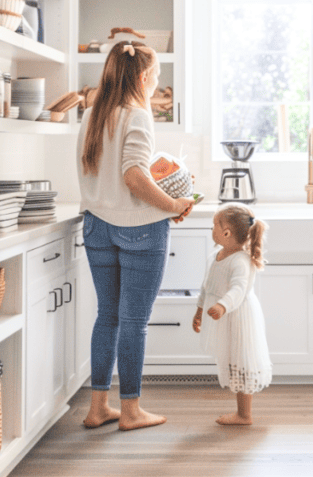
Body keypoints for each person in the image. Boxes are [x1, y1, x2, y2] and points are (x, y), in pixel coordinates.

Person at [77, 40, 194, 431]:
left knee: (106, 317)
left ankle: (97, 409)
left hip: (96, 226)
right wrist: (173, 205)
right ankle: (130, 411)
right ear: (143, 77)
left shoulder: (92, 113)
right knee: (133, 323)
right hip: (139, 230)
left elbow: (108, 173)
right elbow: (133, 175)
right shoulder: (138, 115)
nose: (156, 83)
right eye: (157, 76)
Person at [192, 203, 272, 425]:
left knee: (241, 363)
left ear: (226, 232)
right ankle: (241, 412)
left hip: (238, 318)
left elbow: (238, 289)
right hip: (223, 318)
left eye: (213, 226)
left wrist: (222, 306)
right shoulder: (216, 256)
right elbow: (206, 286)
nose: (211, 230)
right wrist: (199, 310)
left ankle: (244, 414)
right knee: (230, 360)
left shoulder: (241, 261)